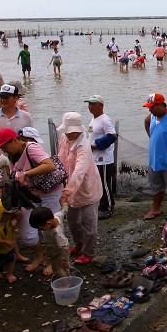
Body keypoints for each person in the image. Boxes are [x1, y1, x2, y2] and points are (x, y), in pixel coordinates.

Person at [0, 127, 58, 272]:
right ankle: (40, 255)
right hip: (30, 194)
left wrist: (26, 174)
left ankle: (54, 260)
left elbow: (50, 165)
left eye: (4, 147)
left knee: (51, 228)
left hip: (50, 192)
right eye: (0, 148)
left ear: (14, 140)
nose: (3, 150)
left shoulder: (31, 148)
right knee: (26, 235)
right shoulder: (12, 156)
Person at [56, 112, 103, 265]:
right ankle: (78, 244)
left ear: (79, 129)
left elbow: (79, 172)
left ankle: (89, 252)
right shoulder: (64, 139)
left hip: (87, 187)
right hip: (69, 184)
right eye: (67, 131)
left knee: (88, 222)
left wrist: (67, 192)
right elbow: (60, 160)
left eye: (72, 131)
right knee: (72, 220)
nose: (69, 134)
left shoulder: (84, 146)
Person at [84, 95, 118, 220]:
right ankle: (103, 203)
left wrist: (96, 145)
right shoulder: (94, 119)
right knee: (97, 183)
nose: (90, 106)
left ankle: (108, 208)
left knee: (104, 183)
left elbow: (113, 136)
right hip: (95, 158)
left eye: (93, 104)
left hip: (104, 159)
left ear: (101, 106)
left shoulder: (105, 120)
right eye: (89, 104)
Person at [28, 205, 70, 275]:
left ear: (48, 224)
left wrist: (65, 261)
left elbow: (64, 246)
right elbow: (63, 212)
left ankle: (66, 281)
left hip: (56, 251)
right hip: (50, 245)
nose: (39, 230)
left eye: (40, 228)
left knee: (58, 269)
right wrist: (65, 204)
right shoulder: (57, 215)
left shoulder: (57, 233)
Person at [0, 197, 18, 283]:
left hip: (7, 248)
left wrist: (16, 222)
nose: (10, 215)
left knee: (10, 259)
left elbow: (12, 228)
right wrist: (5, 242)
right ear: (0, 213)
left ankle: (10, 274)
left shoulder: (7, 221)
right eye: (7, 214)